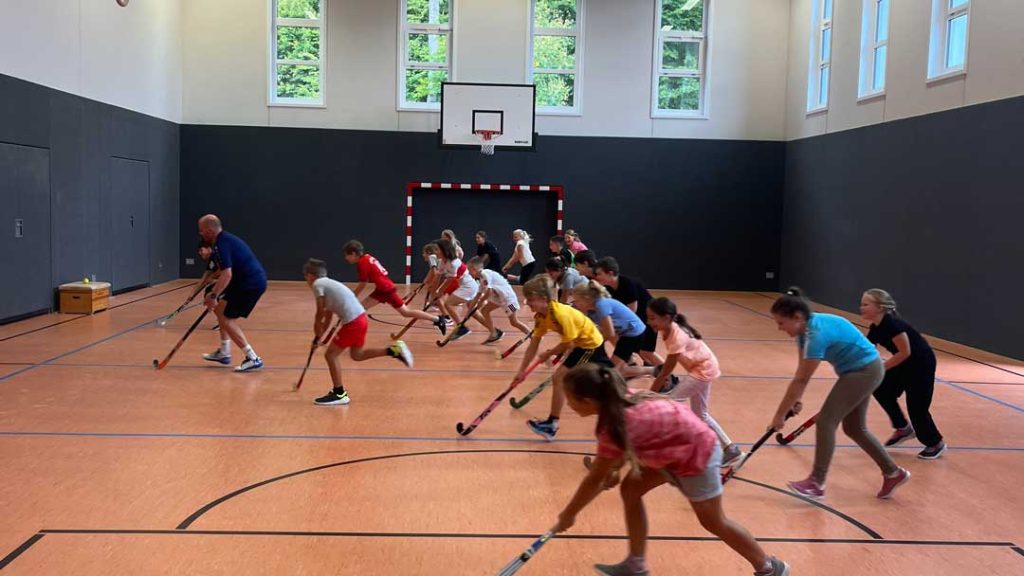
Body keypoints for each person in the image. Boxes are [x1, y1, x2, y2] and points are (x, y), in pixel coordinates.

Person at [551, 364, 789, 576]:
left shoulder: (614, 424)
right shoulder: (619, 402)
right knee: (631, 489)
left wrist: (568, 514)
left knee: (714, 521)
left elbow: (594, 479)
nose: (569, 405)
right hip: (670, 452)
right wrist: (613, 469)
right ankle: (636, 564)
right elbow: (624, 451)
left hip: (698, 454)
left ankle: (769, 567)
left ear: (588, 401)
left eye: (570, 399)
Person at [769, 287, 911, 500]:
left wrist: (779, 416)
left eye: (781, 322)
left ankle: (817, 482)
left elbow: (801, 379)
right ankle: (893, 472)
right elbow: (802, 371)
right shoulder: (805, 331)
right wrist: (795, 401)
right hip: (861, 370)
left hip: (864, 371)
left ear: (797, 317)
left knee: (827, 421)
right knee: (854, 428)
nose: (779, 328)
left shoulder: (816, 334)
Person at [643, 297, 744, 467]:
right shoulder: (668, 330)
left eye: (652, 318)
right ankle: (731, 450)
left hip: (703, 370)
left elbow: (665, 372)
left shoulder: (677, 336)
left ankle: (676, 448)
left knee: (671, 404)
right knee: (700, 414)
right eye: (648, 317)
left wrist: (651, 394)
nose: (649, 322)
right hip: (702, 368)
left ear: (667, 318)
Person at [303, 258, 413, 406]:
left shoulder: (318, 284)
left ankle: (339, 393)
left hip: (353, 322)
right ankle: (393, 350)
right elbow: (327, 317)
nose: (307, 281)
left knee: (330, 355)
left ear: (310, 275)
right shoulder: (329, 284)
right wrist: (319, 339)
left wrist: (316, 336)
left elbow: (320, 313)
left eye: (306, 278)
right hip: (360, 319)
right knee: (357, 355)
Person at [517, 275, 612, 440]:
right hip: (580, 344)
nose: (528, 303)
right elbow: (533, 345)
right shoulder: (541, 317)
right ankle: (551, 424)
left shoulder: (560, 314)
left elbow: (567, 345)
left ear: (543, 299)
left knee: (562, 378)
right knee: (563, 378)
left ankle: (552, 425)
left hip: (590, 345)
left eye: (530, 299)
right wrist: (521, 371)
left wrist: (549, 353)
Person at [861, 288, 946, 459]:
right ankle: (902, 428)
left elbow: (905, 352)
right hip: (904, 364)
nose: (861, 308)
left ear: (879, 307)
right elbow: (866, 350)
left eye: (865, 304)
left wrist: (881, 368)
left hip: (921, 365)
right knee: (881, 388)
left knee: (917, 408)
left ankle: (935, 443)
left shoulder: (892, 324)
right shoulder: (876, 327)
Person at [198, 214, 267, 372]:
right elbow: (225, 274)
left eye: (201, 231)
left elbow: (226, 274)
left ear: (209, 231)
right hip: (243, 282)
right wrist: (213, 296)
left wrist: (214, 295)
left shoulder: (222, 244)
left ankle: (252, 358)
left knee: (227, 319)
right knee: (220, 310)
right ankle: (224, 352)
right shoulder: (223, 241)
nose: (200, 234)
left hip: (250, 284)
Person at [342, 240, 447, 335]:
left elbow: (363, 283)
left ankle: (437, 319)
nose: (346, 258)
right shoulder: (368, 257)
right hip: (382, 289)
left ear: (353, 254)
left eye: (347, 255)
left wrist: (353, 295)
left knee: (405, 312)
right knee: (360, 309)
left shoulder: (362, 263)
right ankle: (437, 319)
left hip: (386, 290)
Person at [594, 257, 664, 367]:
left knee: (647, 352)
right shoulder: (609, 289)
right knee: (642, 351)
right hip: (638, 322)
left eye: (599, 274)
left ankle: (669, 376)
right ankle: (634, 364)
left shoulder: (627, 283)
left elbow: (632, 310)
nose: (597, 277)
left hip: (650, 319)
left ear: (610, 273)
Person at [571, 280, 646, 379]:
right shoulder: (591, 311)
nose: (575, 304)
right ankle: (652, 370)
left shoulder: (601, 305)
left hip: (633, 334)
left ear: (587, 299)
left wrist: (594, 344)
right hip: (627, 334)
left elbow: (610, 333)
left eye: (577, 301)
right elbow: (600, 330)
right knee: (618, 370)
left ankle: (653, 370)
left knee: (611, 371)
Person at [466, 256, 531, 343]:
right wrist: (469, 312)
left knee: (514, 322)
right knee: (485, 310)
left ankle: (531, 335)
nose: (469, 273)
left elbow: (488, 292)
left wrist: (480, 303)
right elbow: (477, 296)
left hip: (509, 300)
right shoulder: (482, 279)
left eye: (469, 271)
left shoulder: (485, 273)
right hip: (500, 300)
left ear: (474, 269)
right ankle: (494, 334)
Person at [435, 237, 480, 340]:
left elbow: (451, 280)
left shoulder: (454, 263)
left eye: (437, 249)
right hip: (464, 286)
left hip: (468, 287)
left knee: (448, 304)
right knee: (474, 313)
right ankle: (494, 331)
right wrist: (435, 292)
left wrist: (441, 291)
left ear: (444, 251)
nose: (435, 252)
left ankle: (462, 328)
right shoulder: (442, 262)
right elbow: (438, 277)